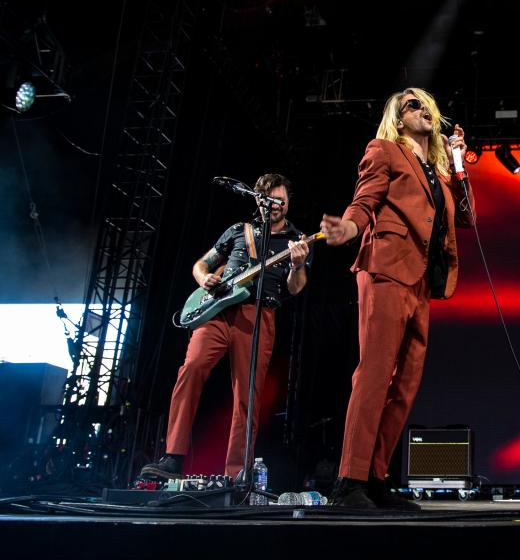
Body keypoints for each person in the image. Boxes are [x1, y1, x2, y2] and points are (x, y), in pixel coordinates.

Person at [321, 87, 475, 510]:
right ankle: (348, 480)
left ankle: (374, 478)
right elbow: (364, 201)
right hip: (386, 269)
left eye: (427, 103)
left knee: (405, 385)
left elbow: (467, 217)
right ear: (398, 117)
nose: (423, 108)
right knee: (373, 373)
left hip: (422, 282)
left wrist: (460, 165)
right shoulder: (385, 150)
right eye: (412, 104)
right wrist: (349, 229)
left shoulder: (440, 173)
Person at [141, 173, 311, 481]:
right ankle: (173, 456)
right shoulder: (238, 231)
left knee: (247, 393)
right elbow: (200, 265)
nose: (274, 206)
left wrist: (298, 263)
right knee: (191, 368)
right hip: (217, 311)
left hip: (258, 315)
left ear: (288, 202)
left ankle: (236, 473)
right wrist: (203, 278)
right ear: (258, 200)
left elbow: (296, 288)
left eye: (280, 201)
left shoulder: (295, 239)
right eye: (268, 201)